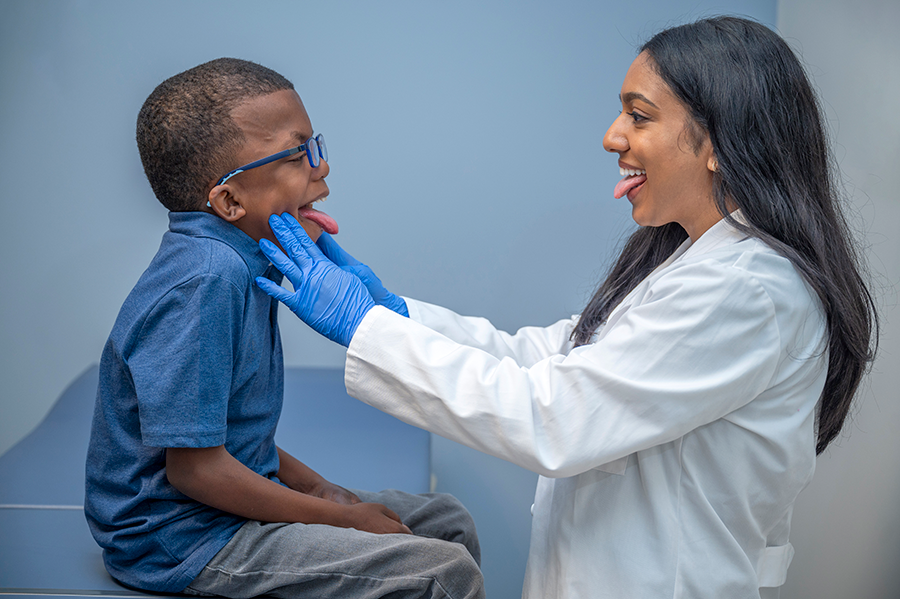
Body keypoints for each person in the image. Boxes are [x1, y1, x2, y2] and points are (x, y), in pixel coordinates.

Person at [256, 16, 879, 599]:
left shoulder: (748, 290)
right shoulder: (691, 264)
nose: (613, 136)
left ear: (717, 142)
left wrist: (363, 327)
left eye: (639, 116)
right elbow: (557, 358)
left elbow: (554, 415)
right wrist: (389, 313)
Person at [84, 58, 483, 599]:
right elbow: (195, 472)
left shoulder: (246, 259)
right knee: (442, 573)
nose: (321, 170)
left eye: (314, 147)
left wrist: (323, 490)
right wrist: (338, 518)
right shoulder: (204, 280)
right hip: (179, 538)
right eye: (299, 155)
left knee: (446, 520)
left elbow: (233, 444)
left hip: (218, 509)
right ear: (229, 200)